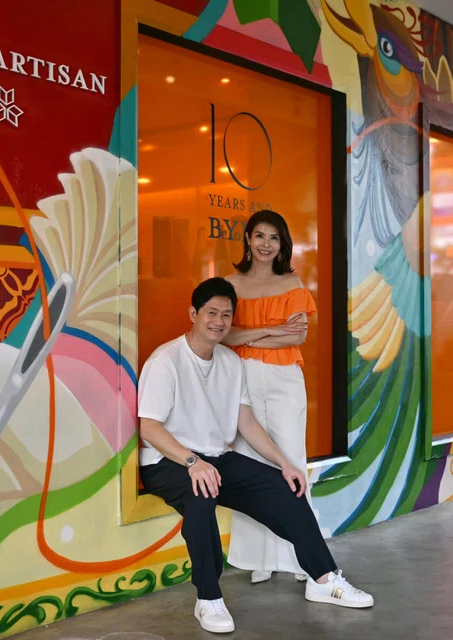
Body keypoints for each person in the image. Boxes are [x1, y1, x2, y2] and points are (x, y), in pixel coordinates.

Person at [137, 277, 373, 634]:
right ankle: (208, 598)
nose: (218, 321)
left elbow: (246, 423)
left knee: (286, 487)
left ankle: (324, 578)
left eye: (226, 315)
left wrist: (285, 463)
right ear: (193, 313)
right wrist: (191, 461)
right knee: (202, 494)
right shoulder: (166, 360)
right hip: (168, 461)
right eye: (211, 312)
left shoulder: (231, 363)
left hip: (215, 459)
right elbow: (149, 428)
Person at [222, 209, 314, 585]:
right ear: (247, 238)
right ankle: (259, 556)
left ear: (282, 244)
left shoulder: (292, 282)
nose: (265, 244)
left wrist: (249, 333)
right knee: (250, 462)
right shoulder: (230, 283)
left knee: (290, 459)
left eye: (273, 238)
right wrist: (269, 329)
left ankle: (301, 554)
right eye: (259, 236)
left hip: (284, 378)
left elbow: (297, 337)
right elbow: (224, 336)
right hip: (240, 379)